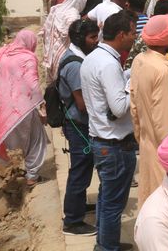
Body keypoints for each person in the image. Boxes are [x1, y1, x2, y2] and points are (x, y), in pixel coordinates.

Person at [80, 10, 138, 251]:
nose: (135, 37)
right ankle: (107, 247)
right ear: (122, 34)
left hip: (102, 140)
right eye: (133, 33)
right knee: (113, 205)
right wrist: (132, 84)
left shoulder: (94, 58)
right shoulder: (107, 63)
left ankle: (104, 243)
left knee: (106, 200)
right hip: (114, 145)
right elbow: (119, 106)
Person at [0, 30, 48, 187]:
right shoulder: (28, 57)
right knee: (36, 138)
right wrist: (41, 105)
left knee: (8, 138)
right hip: (22, 108)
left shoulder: (3, 52)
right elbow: (33, 84)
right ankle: (32, 176)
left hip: (0, 108)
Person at [130, 15, 168, 208]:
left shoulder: (139, 60)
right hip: (162, 152)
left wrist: (142, 137)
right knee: (165, 208)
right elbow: (165, 121)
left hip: (146, 143)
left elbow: (133, 107)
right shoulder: (162, 71)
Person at [58, 19, 99, 236]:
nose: (96, 41)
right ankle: (73, 221)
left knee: (81, 169)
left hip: (77, 123)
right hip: (79, 126)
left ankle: (78, 206)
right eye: (92, 37)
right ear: (79, 39)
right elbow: (83, 104)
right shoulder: (75, 65)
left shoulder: (77, 57)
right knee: (80, 171)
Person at [41, 0, 88, 84]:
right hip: (64, 50)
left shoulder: (56, 9)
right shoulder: (73, 14)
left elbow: (46, 29)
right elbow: (73, 34)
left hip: (52, 49)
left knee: (53, 77)